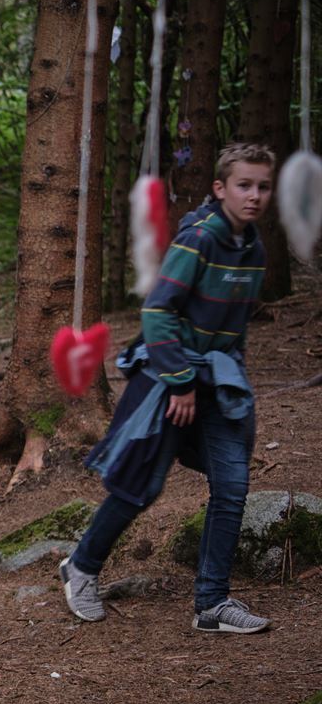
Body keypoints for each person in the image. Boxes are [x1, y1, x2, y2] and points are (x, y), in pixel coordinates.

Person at [60, 143, 275, 634]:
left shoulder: (255, 249)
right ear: (221, 188)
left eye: (263, 186)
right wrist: (180, 383)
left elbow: (234, 327)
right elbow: (158, 312)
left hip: (218, 383)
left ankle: (213, 605)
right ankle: (81, 568)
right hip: (169, 384)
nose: (255, 195)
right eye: (245, 185)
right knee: (141, 488)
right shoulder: (197, 240)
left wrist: (228, 377)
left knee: (233, 486)